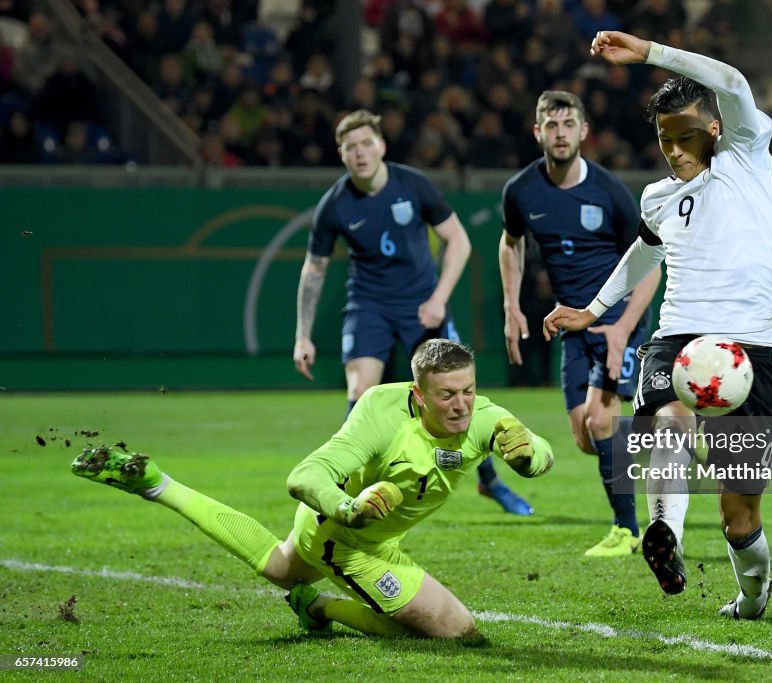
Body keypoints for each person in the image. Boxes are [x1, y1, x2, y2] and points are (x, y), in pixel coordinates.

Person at [544, 31, 772, 620]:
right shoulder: (658, 195)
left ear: (713, 130)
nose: (674, 151)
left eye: (684, 137)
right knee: (669, 422)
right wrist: (593, 310)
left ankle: (753, 598)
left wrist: (650, 53)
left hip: (751, 348)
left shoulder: (746, 155)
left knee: (741, 519)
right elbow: (644, 251)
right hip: (679, 336)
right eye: (664, 140)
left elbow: (732, 83)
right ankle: (665, 535)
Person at [71, 339, 554, 638]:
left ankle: (157, 484)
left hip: (370, 536)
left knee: (282, 569)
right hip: (345, 540)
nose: (461, 405)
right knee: (456, 630)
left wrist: (530, 456)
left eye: (467, 390)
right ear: (417, 394)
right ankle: (324, 604)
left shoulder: (484, 414)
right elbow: (305, 477)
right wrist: (350, 509)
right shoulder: (382, 414)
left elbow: (541, 453)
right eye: (446, 395)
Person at [293, 109, 532, 516]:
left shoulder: (413, 185)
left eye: (367, 143)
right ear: (342, 155)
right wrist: (303, 334)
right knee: (360, 392)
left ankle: (489, 480)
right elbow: (313, 270)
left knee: (454, 394)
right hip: (368, 305)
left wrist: (439, 297)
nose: (360, 153)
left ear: (381, 146)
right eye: (351, 148)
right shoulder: (334, 204)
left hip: (422, 304)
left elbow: (458, 241)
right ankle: (351, 485)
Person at [499, 90, 660, 557]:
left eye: (569, 124)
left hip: (618, 320)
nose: (560, 133)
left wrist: (625, 327)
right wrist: (512, 306)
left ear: (584, 131)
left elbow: (651, 262)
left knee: (601, 420)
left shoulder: (609, 191)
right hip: (572, 324)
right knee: (587, 437)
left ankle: (629, 532)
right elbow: (510, 243)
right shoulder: (522, 190)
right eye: (551, 125)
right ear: (538, 132)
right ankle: (670, 438)